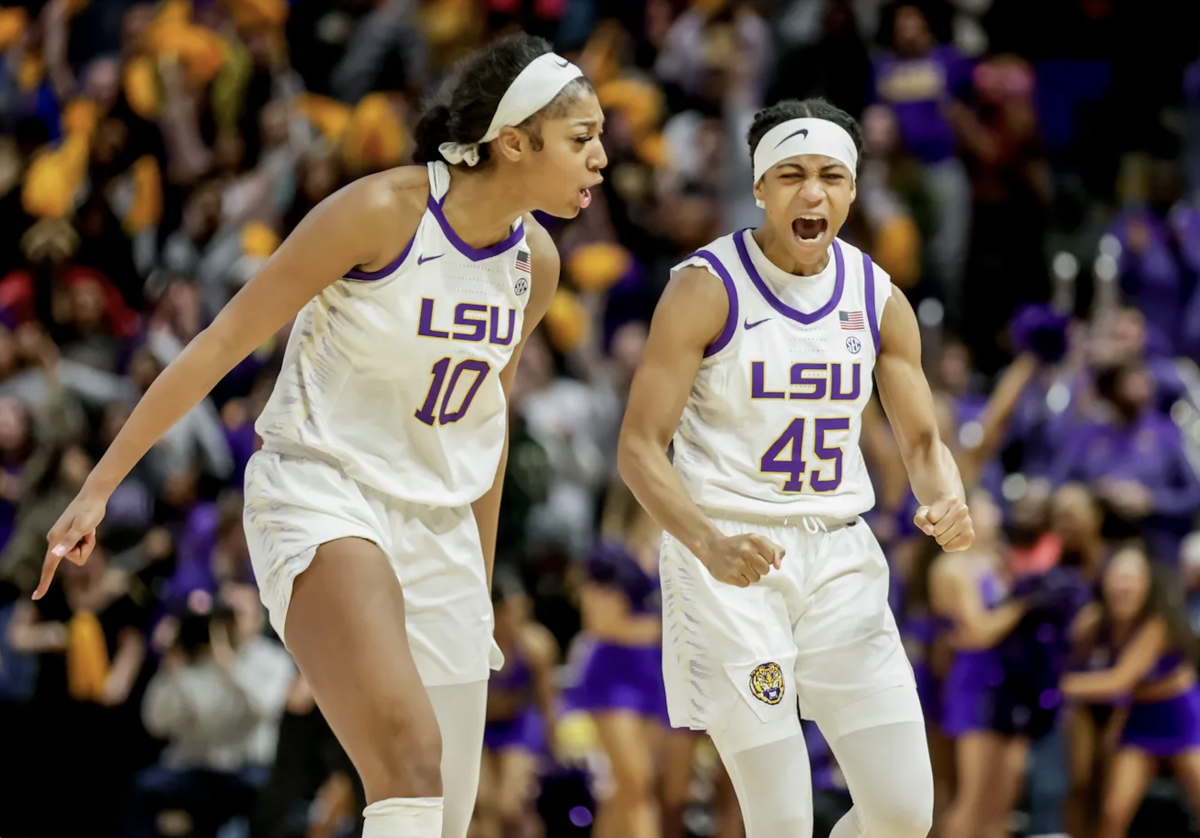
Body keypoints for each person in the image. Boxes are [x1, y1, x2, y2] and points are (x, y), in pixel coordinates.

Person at [32, 32, 607, 838]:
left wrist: (475, 580)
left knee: (448, 813)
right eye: (583, 138)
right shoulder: (381, 211)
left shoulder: (534, 261)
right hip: (324, 488)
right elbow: (223, 341)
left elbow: (488, 425)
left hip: (437, 519)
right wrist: (98, 486)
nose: (601, 158)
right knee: (407, 768)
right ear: (514, 142)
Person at [617, 96, 974, 838]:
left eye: (831, 176)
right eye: (792, 174)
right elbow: (639, 448)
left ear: (852, 188)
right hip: (731, 556)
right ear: (759, 187)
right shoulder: (704, 288)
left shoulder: (877, 295)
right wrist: (708, 545)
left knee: (905, 815)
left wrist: (947, 498)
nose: (813, 193)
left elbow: (922, 444)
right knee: (781, 821)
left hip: (840, 551)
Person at [1062, 543, 1200, 838]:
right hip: (1138, 722)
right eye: (1118, 576)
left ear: (1147, 584)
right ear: (1105, 581)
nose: (1124, 585)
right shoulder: (1094, 622)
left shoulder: (1157, 625)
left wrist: (1057, 685)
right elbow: (1080, 665)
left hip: (1182, 721)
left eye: (1133, 578)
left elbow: (1118, 682)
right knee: (1112, 814)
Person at [475, 569, 559, 838]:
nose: (520, 617)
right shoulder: (475, 645)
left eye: (523, 609)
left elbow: (548, 702)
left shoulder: (536, 646)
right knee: (482, 805)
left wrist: (554, 743)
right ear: (494, 612)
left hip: (519, 727)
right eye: (513, 610)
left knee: (510, 805)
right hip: (479, 731)